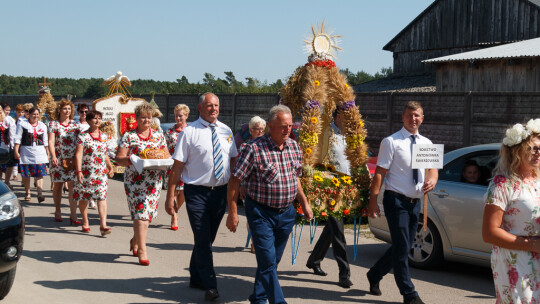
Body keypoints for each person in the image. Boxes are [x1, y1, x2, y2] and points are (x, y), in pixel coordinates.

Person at [226, 104, 313, 304]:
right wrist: (232, 212)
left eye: (290, 126)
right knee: (267, 261)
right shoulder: (253, 148)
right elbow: (235, 180)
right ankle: (278, 301)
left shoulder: (293, 147)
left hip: (286, 214)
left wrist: (305, 203)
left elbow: (295, 178)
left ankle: (258, 296)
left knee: (271, 262)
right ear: (270, 126)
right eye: (283, 126)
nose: (288, 130)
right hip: (260, 213)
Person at [165, 92, 238, 302]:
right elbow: (177, 167)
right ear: (199, 107)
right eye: (209, 105)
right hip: (196, 193)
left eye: (216, 105)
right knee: (203, 239)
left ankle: (196, 276)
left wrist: (236, 189)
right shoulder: (189, 132)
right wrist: (170, 196)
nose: (213, 108)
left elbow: (233, 161)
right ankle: (211, 285)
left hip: (220, 193)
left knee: (207, 239)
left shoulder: (226, 131)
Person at [367, 101, 438, 304]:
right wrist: (373, 202)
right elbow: (380, 173)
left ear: (422, 118)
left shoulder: (427, 143)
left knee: (403, 246)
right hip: (395, 200)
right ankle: (409, 294)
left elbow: (433, 170)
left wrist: (432, 180)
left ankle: (375, 274)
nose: (413, 119)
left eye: (416, 115)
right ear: (403, 117)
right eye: (409, 115)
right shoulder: (391, 142)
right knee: (402, 248)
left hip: (415, 202)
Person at [482, 119, 540, 303]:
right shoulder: (502, 184)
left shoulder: (537, 181)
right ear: (516, 151)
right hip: (515, 259)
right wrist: (531, 245)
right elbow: (489, 233)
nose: (538, 152)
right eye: (532, 148)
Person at [116, 103, 170, 266]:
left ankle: (135, 239)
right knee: (141, 215)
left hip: (153, 181)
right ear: (137, 118)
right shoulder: (129, 136)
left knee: (149, 216)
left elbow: (166, 154)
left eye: (149, 117)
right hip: (135, 181)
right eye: (143, 117)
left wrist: (165, 161)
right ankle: (142, 250)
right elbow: (119, 158)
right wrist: (131, 159)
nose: (146, 120)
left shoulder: (158, 135)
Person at [306, 110, 353, 289]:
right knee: (338, 231)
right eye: (347, 116)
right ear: (339, 116)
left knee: (332, 228)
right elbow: (320, 158)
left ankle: (314, 259)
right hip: (329, 185)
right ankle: (344, 274)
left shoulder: (349, 135)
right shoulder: (328, 133)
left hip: (346, 186)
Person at [74, 110, 114, 235]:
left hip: (100, 172)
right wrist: (79, 170)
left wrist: (109, 166)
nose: (97, 121)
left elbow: (105, 153)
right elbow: (79, 154)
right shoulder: (83, 136)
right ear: (89, 121)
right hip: (86, 171)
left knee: (102, 197)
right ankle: (85, 221)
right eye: (94, 118)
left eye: (99, 118)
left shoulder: (104, 136)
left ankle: (103, 225)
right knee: (84, 196)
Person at [48, 99, 82, 224]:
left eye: (69, 109)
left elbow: (80, 141)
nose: (67, 111)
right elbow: (51, 141)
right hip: (58, 158)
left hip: (72, 159)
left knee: (73, 186)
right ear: (59, 110)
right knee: (58, 186)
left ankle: (73, 215)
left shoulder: (75, 125)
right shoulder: (53, 124)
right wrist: (53, 156)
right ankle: (57, 210)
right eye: (64, 109)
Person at [240, 115, 266, 253]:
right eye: (257, 129)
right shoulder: (245, 146)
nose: (260, 132)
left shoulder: (268, 145)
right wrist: (242, 184)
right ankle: (254, 241)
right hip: (249, 187)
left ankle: (260, 240)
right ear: (250, 130)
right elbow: (241, 169)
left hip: (264, 187)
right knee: (252, 216)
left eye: (262, 129)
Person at [13, 107, 49, 202]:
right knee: (26, 174)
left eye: (37, 114)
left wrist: (47, 152)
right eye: (34, 114)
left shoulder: (42, 125)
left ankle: (40, 193)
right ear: (29, 114)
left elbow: (45, 141)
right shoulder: (22, 124)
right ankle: (27, 192)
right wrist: (16, 151)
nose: (36, 116)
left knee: (39, 174)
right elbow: (17, 138)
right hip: (26, 152)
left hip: (40, 152)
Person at [164, 104, 189, 231]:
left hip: (188, 167)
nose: (178, 118)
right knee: (173, 191)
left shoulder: (191, 131)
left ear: (186, 116)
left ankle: (175, 210)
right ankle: (174, 216)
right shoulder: (169, 132)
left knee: (184, 192)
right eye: (176, 116)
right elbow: (164, 149)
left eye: (181, 116)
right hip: (173, 166)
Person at [0, 103, 16, 187]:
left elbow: (12, 134)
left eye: (9, 110)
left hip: (6, 146)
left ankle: (7, 181)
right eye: (6, 110)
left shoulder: (9, 120)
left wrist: (13, 147)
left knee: (9, 164)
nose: (7, 112)